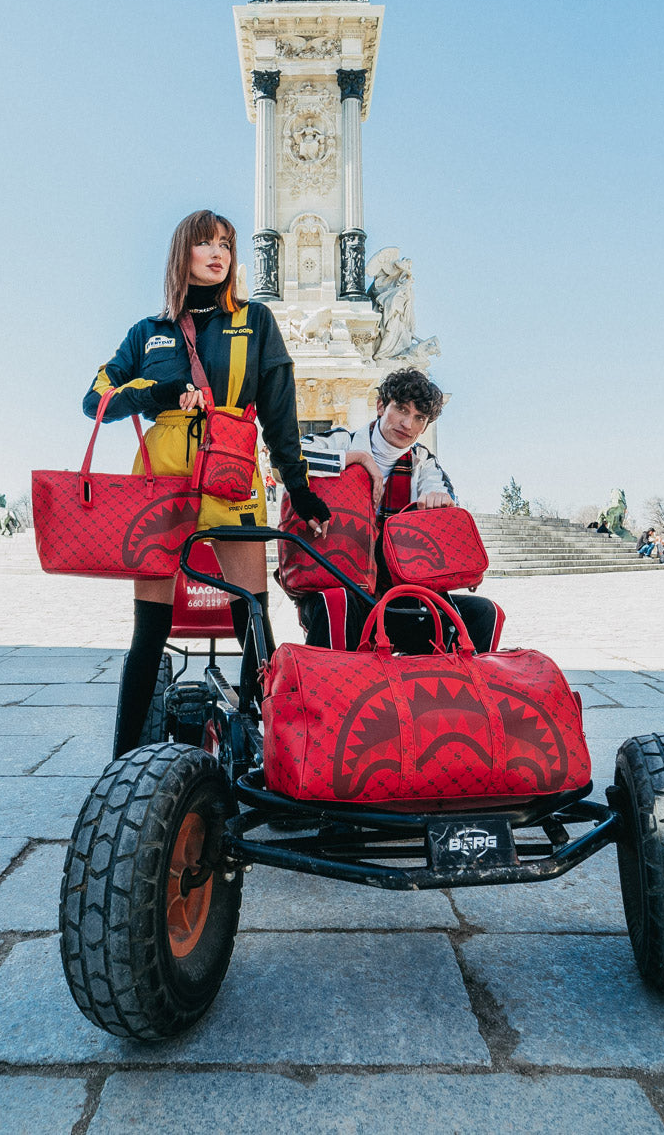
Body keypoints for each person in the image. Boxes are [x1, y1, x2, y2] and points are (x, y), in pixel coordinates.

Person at [83, 209, 330, 760]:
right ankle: (123, 762)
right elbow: (94, 401)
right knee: (149, 631)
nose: (218, 252)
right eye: (205, 243)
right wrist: (157, 393)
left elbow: (280, 414)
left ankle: (266, 749)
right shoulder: (147, 334)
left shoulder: (255, 320)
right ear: (182, 253)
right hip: (159, 482)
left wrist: (299, 485)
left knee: (252, 619)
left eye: (225, 243)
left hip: (231, 471)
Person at [295, 368, 498, 654]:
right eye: (401, 409)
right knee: (337, 602)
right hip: (343, 588)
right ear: (381, 406)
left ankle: (444, 694)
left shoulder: (422, 463)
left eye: (419, 418)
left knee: (482, 613)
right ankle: (332, 692)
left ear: (424, 427)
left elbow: (440, 492)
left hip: (401, 595)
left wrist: (437, 501)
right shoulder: (342, 442)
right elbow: (288, 459)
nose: (407, 423)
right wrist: (357, 459)